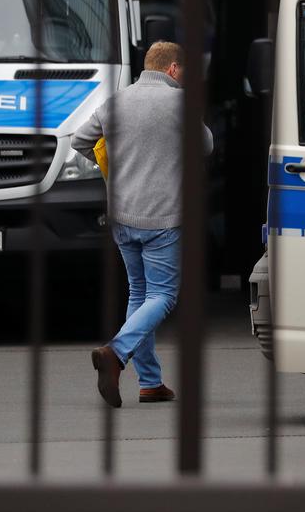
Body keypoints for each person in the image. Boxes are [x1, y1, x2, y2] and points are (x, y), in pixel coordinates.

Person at [72, 41, 213, 408]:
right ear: (172, 70)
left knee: (139, 294)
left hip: (122, 214)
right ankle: (116, 353)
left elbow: (79, 140)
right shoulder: (179, 103)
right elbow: (206, 146)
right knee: (163, 296)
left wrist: (114, 164)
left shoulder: (117, 101)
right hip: (164, 216)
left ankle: (150, 383)